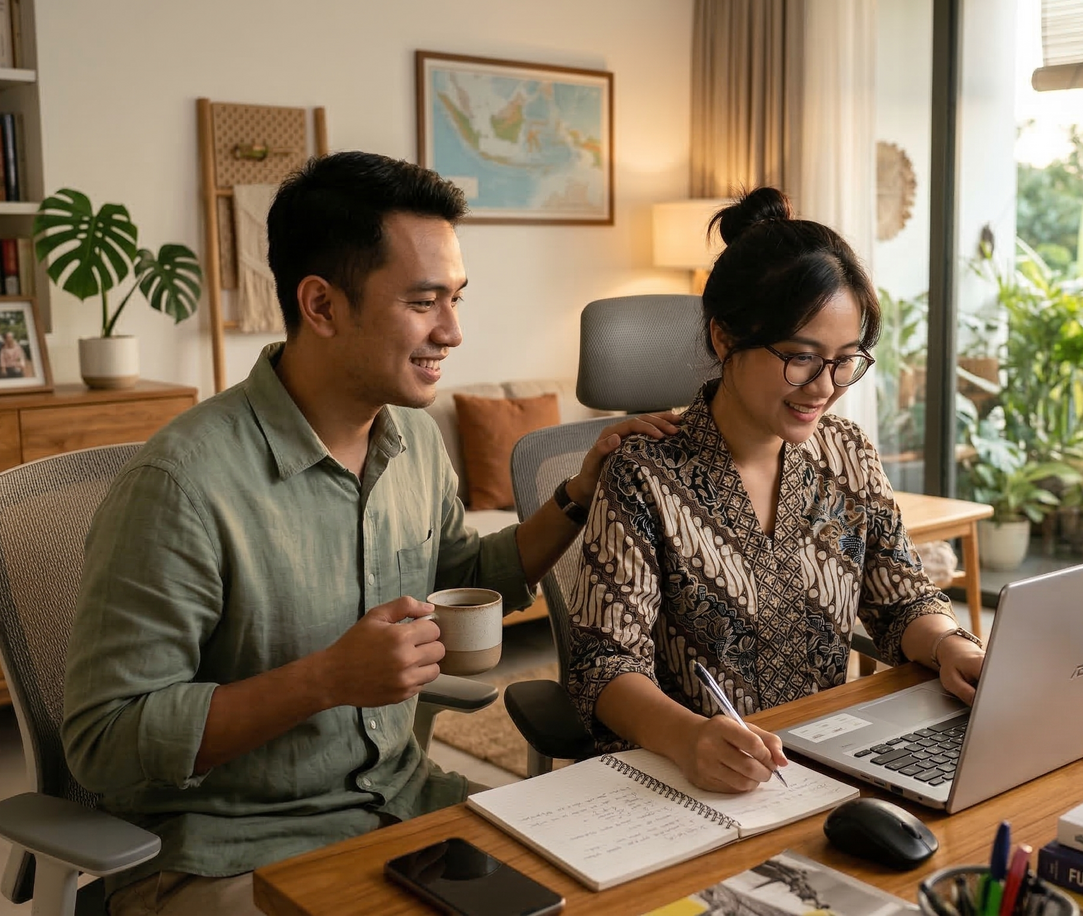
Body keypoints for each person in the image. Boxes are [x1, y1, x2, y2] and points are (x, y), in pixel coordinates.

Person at [60, 151, 676, 916]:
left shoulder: (412, 441)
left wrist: (579, 494)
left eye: (456, 299)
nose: (452, 332)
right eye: (424, 302)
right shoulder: (180, 484)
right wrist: (324, 680)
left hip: (402, 803)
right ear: (321, 305)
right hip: (228, 850)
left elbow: (462, 574)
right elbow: (103, 743)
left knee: (607, 888)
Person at [566, 187, 987, 795]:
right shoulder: (643, 473)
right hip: (685, 779)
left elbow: (901, 599)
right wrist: (688, 738)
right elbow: (603, 665)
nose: (824, 387)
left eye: (845, 361)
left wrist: (949, 644)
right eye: (800, 357)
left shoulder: (847, 453)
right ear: (723, 338)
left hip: (825, 764)